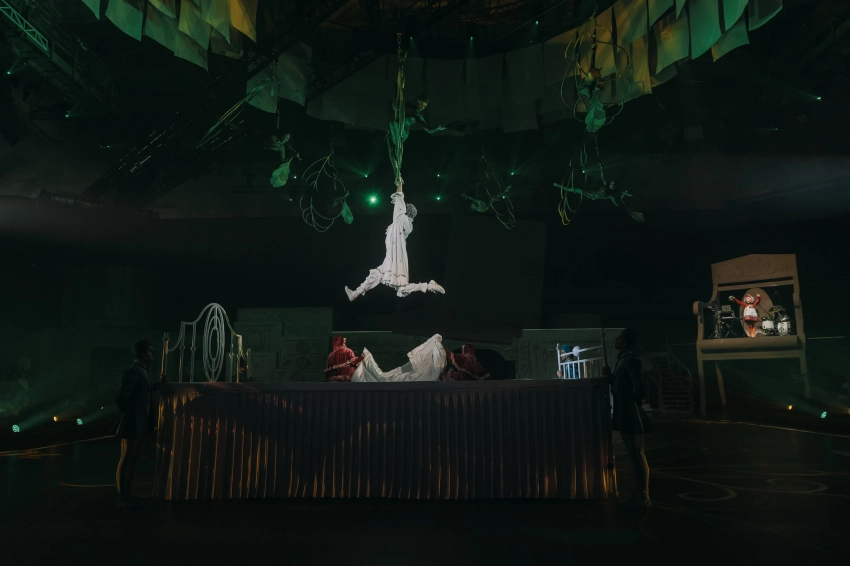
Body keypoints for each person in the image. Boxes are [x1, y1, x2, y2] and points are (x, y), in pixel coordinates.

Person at [345, 178, 445, 300]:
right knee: (379, 276)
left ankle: (429, 286)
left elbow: (399, 198)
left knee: (396, 284)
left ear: (405, 211)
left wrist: (400, 185)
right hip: (394, 257)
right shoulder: (406, 224)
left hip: (395, 258)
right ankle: (355, 294)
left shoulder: (400, 219)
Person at [603, 328, 651, 509]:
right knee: (634, 455)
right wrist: (610, 377)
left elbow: (639, 388)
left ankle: (644, 496)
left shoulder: (630, 361)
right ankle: (640, 493)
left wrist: (631, 401)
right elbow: (621, 385)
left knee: (637, 455)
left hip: (630, 413)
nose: (616, 340)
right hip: (624, 411)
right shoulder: (622, 360)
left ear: (625, 342)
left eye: (620, 338)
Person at [114, 340, 162, 509]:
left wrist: (158, 386)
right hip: (133, 421)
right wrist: (129, 414)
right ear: (142, 354)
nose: (153, 354)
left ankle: (126, 495)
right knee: (127, 459)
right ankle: (122, 497)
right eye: (150, 351)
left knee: (132, 459)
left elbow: (141, 391)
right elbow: (122, 397)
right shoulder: (133, 371)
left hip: (140, 422)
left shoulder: (142, 371)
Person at [352, 334, 446, 382]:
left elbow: (436, 369)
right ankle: (367, 360)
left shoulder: (433, 365)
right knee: (385, 378)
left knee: (386, 379)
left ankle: (367, 359)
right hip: (412, 375)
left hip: (412, 376)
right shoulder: (433, 362)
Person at [553, 179, 644, 222]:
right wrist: (600, 164)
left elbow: (617, 203)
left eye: (613, 185)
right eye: (611, 183)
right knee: (573, 189)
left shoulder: (610, 196)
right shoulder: (605, 184)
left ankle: (559, 186)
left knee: (575, 189)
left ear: (615, 187)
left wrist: (624, 196)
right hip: (588, 192)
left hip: (591, 195)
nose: (612, 185)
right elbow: (602, 174)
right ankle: (559, 186)